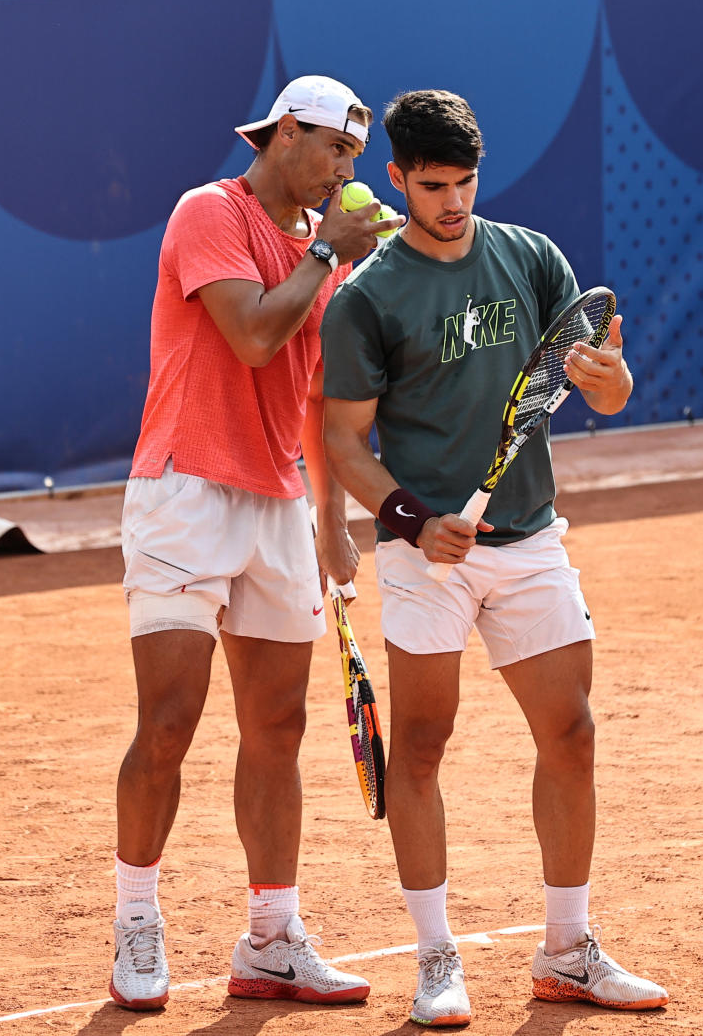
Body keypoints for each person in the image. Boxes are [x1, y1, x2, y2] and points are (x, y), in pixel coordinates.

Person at [320, 89, 668, 1027]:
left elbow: (602, 385)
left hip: (531, 539)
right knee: (423, 748)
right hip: (424, 556)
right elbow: (344, 441)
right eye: (432, 185)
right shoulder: (366, 299)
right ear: (396, 177)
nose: (452, 202)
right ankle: (437, 960)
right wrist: (410, 516)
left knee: (573, 733)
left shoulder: (530, 257)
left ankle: (567, 950)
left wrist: (615, 380)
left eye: (465, 182)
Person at [109, 75, 405, 1011]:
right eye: (333, 149)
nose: (346, 169)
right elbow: (249, 337)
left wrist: (330, 521)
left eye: (355, 155)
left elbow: (313, 392)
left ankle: (272, 937)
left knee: (278, 728)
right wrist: (329, 253)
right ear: (283, 135)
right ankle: (136, 917)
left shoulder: (329, 252)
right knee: (168, 723)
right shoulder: (209, 212)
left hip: (280, 501)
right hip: (184, 493)